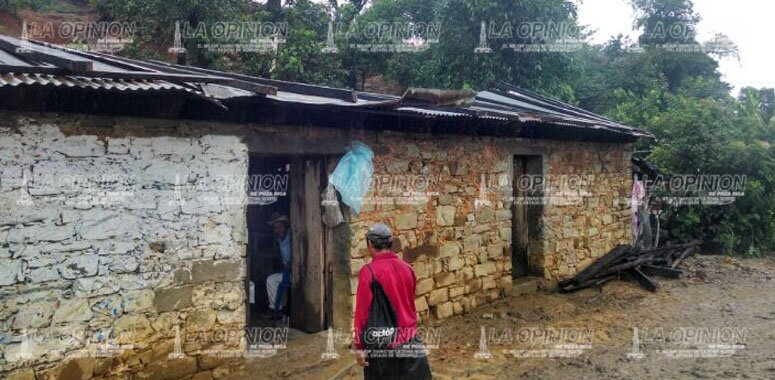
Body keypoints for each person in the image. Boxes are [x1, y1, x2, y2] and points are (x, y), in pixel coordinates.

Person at [354, 223, 432, 380]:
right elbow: (408, 303)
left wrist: (359, 346)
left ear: (370, 244)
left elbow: (362, 315)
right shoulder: (407, 269)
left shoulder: (368, 272)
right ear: (390, 243)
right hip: (410, 342)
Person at [265, 212, 291, 322]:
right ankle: (276, 309)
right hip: (288, 272)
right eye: (275, 228)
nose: (278, 230)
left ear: (285, 226)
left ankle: (276, 309)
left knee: (272, 280)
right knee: (271, 280)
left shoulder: (291, 236)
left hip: (299, 272)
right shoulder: (280, 240)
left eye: (280, 226)